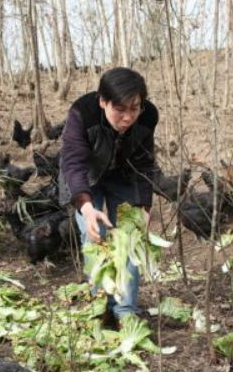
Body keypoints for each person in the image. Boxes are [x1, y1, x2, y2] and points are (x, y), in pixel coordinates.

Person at [59, 67, 159, 326]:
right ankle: (100, 305)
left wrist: (144, 206)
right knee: (95, 237)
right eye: (120, 109)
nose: (127, 118)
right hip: (85, 178)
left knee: (127, 236)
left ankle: (125, 310)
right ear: (103, 102)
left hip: (122, 176)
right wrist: (87, 207)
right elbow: (73, 164)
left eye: (134, 109)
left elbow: (145, 164)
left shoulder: (148, 117)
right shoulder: (83, 113)